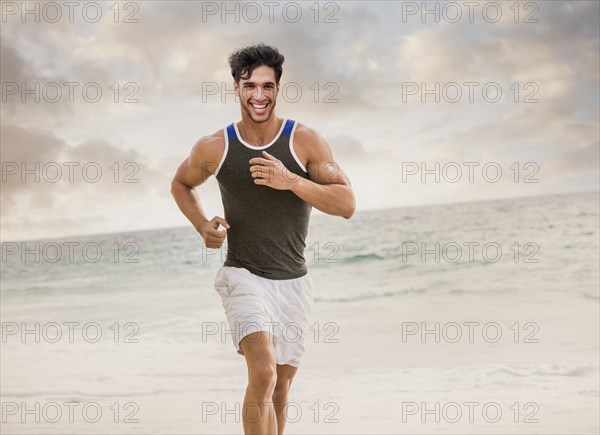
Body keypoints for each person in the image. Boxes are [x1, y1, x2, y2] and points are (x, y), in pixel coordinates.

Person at [171, 43, 355, 434]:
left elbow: (346, 203)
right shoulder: (214, 147)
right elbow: (181, 183)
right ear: (235, 88)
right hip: (243, 274)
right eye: (249, 85)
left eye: (267, 86)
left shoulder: (305, 140)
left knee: (282, 388)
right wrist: (203, 225)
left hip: (294, 282)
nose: (259, 95)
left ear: (278, 88)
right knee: (265, 372)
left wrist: (291, 180)